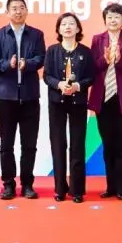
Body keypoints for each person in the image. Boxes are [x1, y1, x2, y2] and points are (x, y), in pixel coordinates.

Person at [0, 0, 47, 201]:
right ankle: (8, 184)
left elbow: (41, 58)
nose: (18, 11)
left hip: (30, 97)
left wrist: (27, 64)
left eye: (22, 7)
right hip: (6, 97)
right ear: (7, 12)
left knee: (29, 144)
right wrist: (8, 64)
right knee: (6, 144)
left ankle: (27, 184)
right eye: (14, 8)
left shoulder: (36, 34)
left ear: (26, 11)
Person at [88, 3, 122, 201]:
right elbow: (92, 67)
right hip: (103, 99)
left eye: (117, 17)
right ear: (105, 20)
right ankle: (110, 186)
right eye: (109, 17)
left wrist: (119, 60)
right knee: (108, 145)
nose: (113, 20)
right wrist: (105, 59)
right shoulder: (97, 39)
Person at [43, 12, 95, 203]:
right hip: (56, 103)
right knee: (58, 144)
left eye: (71, 23)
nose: (67, 27)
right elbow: (46, 76)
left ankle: (77, 190)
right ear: (58, 29)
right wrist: (59, 84)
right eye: (63, 24)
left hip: (78, 103)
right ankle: (59, 189)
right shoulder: (52, 51)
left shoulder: (85, 52)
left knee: (77, 145)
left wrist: (78, 86)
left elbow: (91, 77)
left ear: (78, 28)